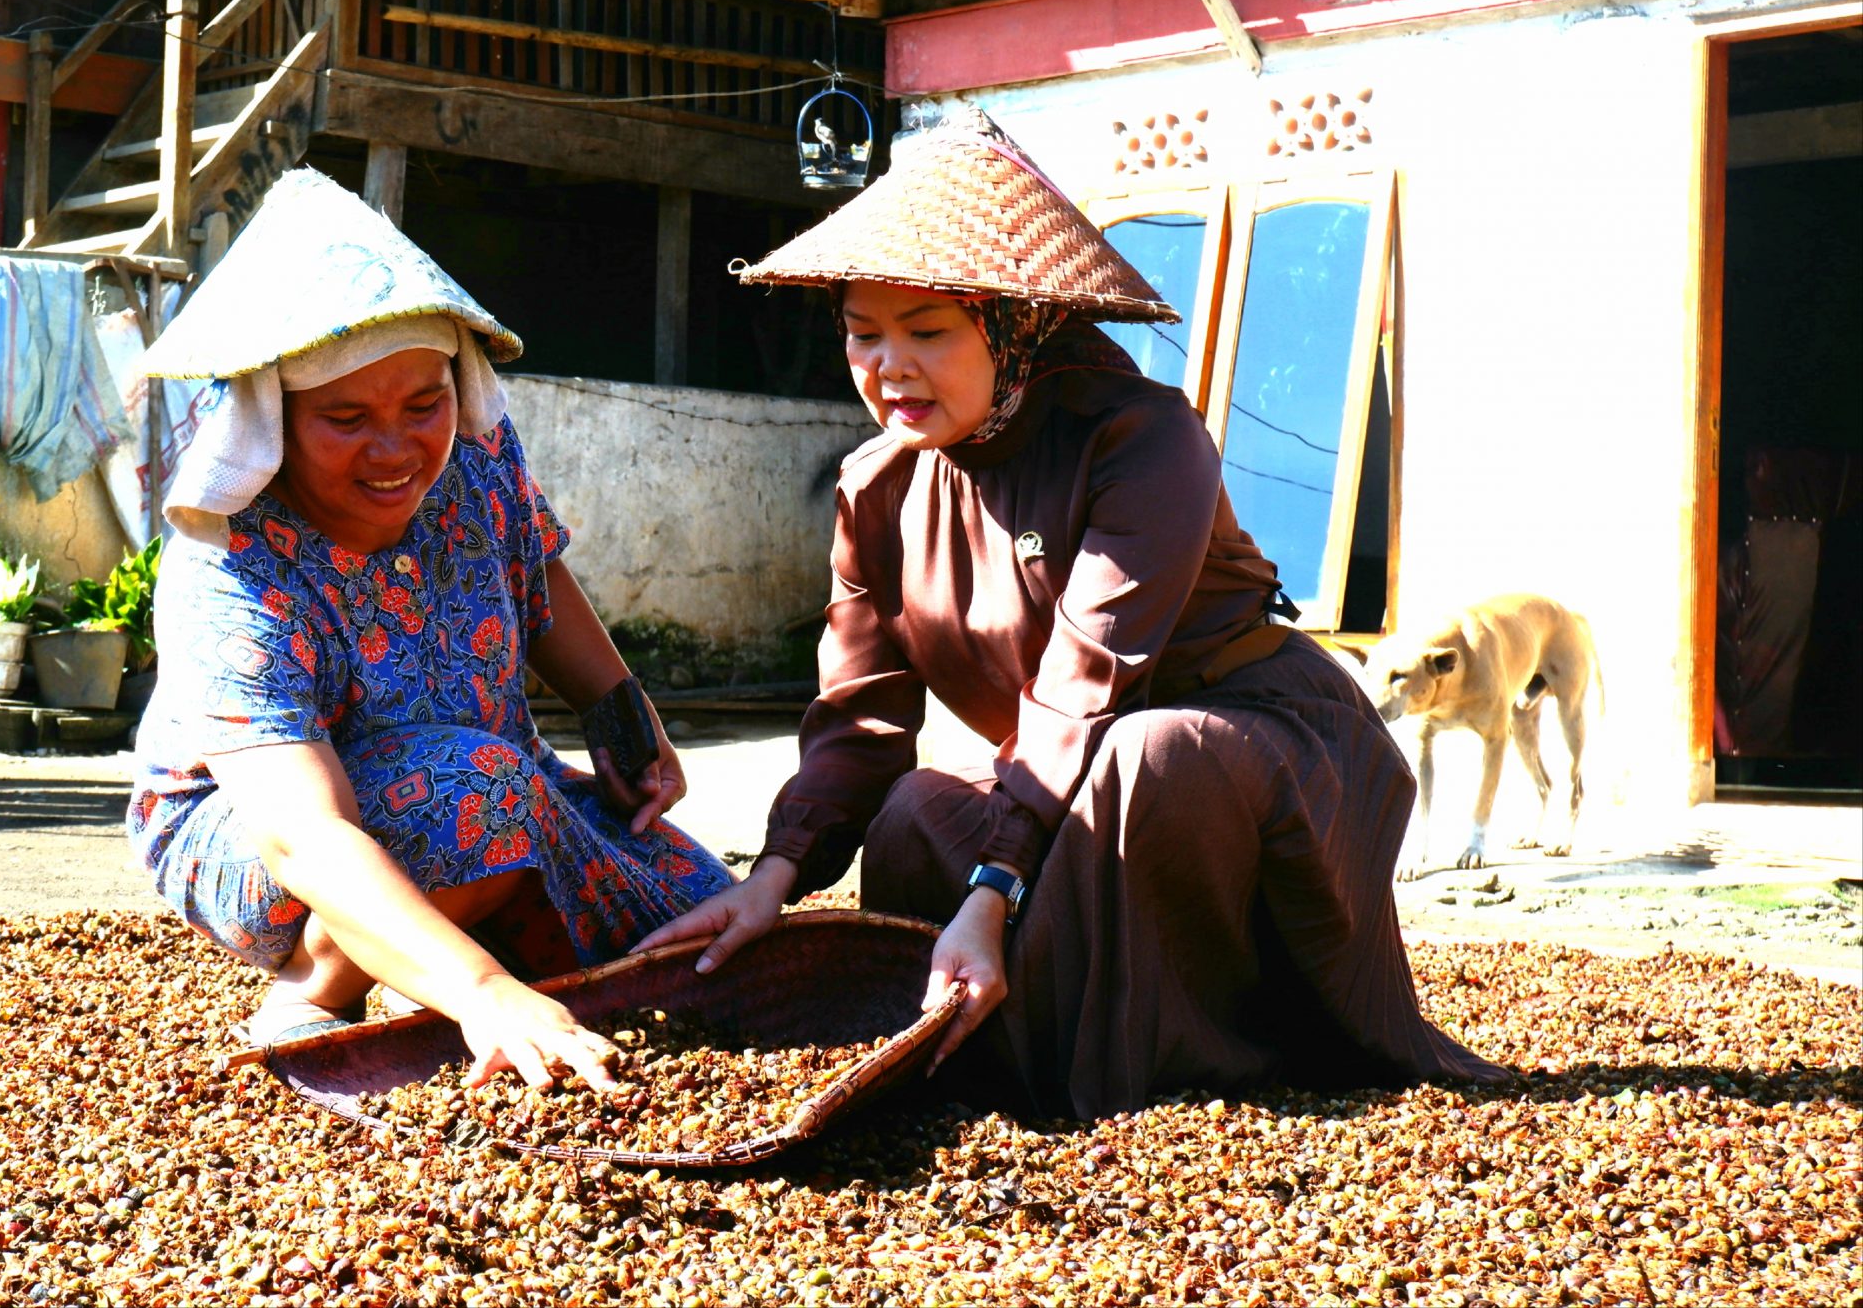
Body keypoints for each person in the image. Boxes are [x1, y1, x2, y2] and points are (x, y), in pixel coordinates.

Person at [643, 111, 1500, 1119]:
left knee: (1146, 755)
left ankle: (1187, 1059)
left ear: (1011, 326)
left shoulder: (1140, 440)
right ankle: (981, 1044)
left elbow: (1088, 677)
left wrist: (993, 888)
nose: (888, 366)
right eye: (861, 332)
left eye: (927, 332)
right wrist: (773, 877)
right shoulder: (873, 488)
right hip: (1063, 764)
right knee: (918, 810)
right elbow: (862, 715)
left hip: (1245, 744)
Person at [125, 169, 733, 1088]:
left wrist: (620, 714)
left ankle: (448, 944)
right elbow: (304, 835)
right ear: (273, 418)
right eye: (346, 418)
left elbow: (540, 571)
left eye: (423, 406)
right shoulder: (230, 567)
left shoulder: (478, 462)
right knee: (477, 796)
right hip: (260, 839)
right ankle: (321, 978)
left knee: (705, 920)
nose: (395, 449)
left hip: (488, 781)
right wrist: (485, 992)